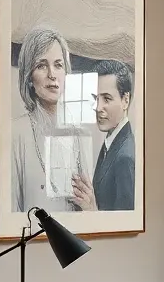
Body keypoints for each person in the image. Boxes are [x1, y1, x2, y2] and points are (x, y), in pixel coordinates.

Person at [10, 27, 92, 212]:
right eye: (41, 65)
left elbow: (90, 213)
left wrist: (91, 207)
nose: (52, 75)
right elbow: (10, 214)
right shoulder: (15, 133)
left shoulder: (80, 134)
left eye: (58, 65)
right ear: (29, 77)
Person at [71, 60, 135, 212]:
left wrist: (91, 209)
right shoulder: (112, 142)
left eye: (107, 98)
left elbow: (125, 223)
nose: (98, 108)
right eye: (96, 98)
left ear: (125, 100)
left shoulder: (125, 158)